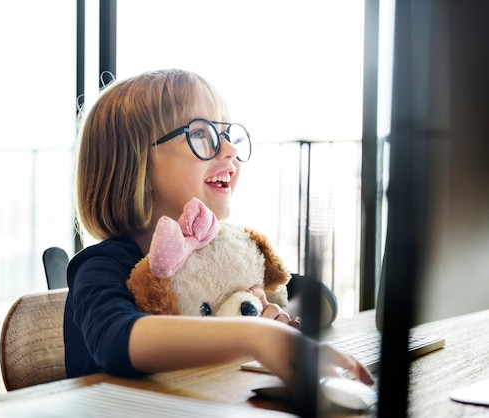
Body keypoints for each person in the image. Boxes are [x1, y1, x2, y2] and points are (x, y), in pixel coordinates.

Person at [63, 68, 373, 393]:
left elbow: (317, 294)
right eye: (201, 134)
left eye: (227, 135)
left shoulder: (214, 259)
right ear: (133, 163)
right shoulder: (101, 266)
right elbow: (116, 341)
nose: (230, 150)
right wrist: (254, 336)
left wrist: (277, 318)